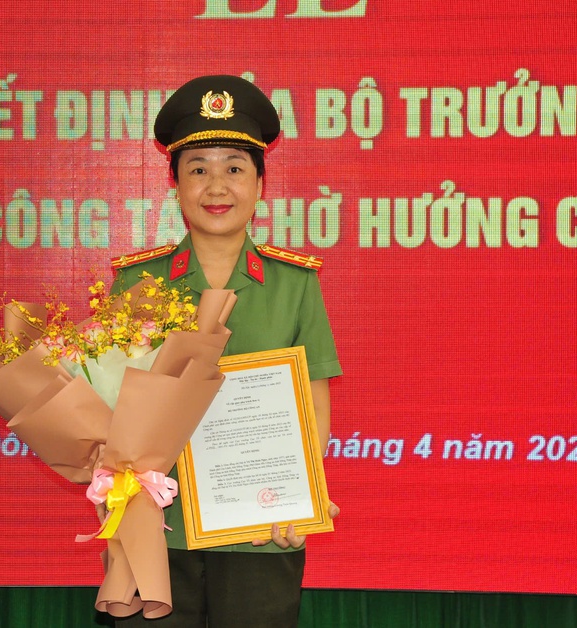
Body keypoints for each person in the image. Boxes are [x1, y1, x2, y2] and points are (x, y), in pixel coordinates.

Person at [109, 75, 343, 628]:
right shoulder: (137, 282)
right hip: (155, 529)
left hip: (259, 529)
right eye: (198, 169)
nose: (216, 186)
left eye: (235, 168)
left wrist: (297, 495)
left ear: (260, 184)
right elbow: (110, 406)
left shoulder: (295, 284)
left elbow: (313, 404)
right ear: (175, 184)